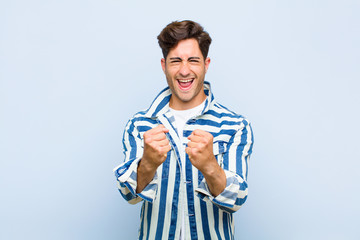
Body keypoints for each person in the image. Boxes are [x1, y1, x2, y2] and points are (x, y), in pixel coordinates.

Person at [114, 20, 254, 240]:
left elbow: (236, 200)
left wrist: (209, 166)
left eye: (193, 60)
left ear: (206, 64)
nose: (184, 70)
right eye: (176, 61)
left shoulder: (234, 124)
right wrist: (148, 164)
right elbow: (129, 196)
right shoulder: (140, 124)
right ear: (164, 65)